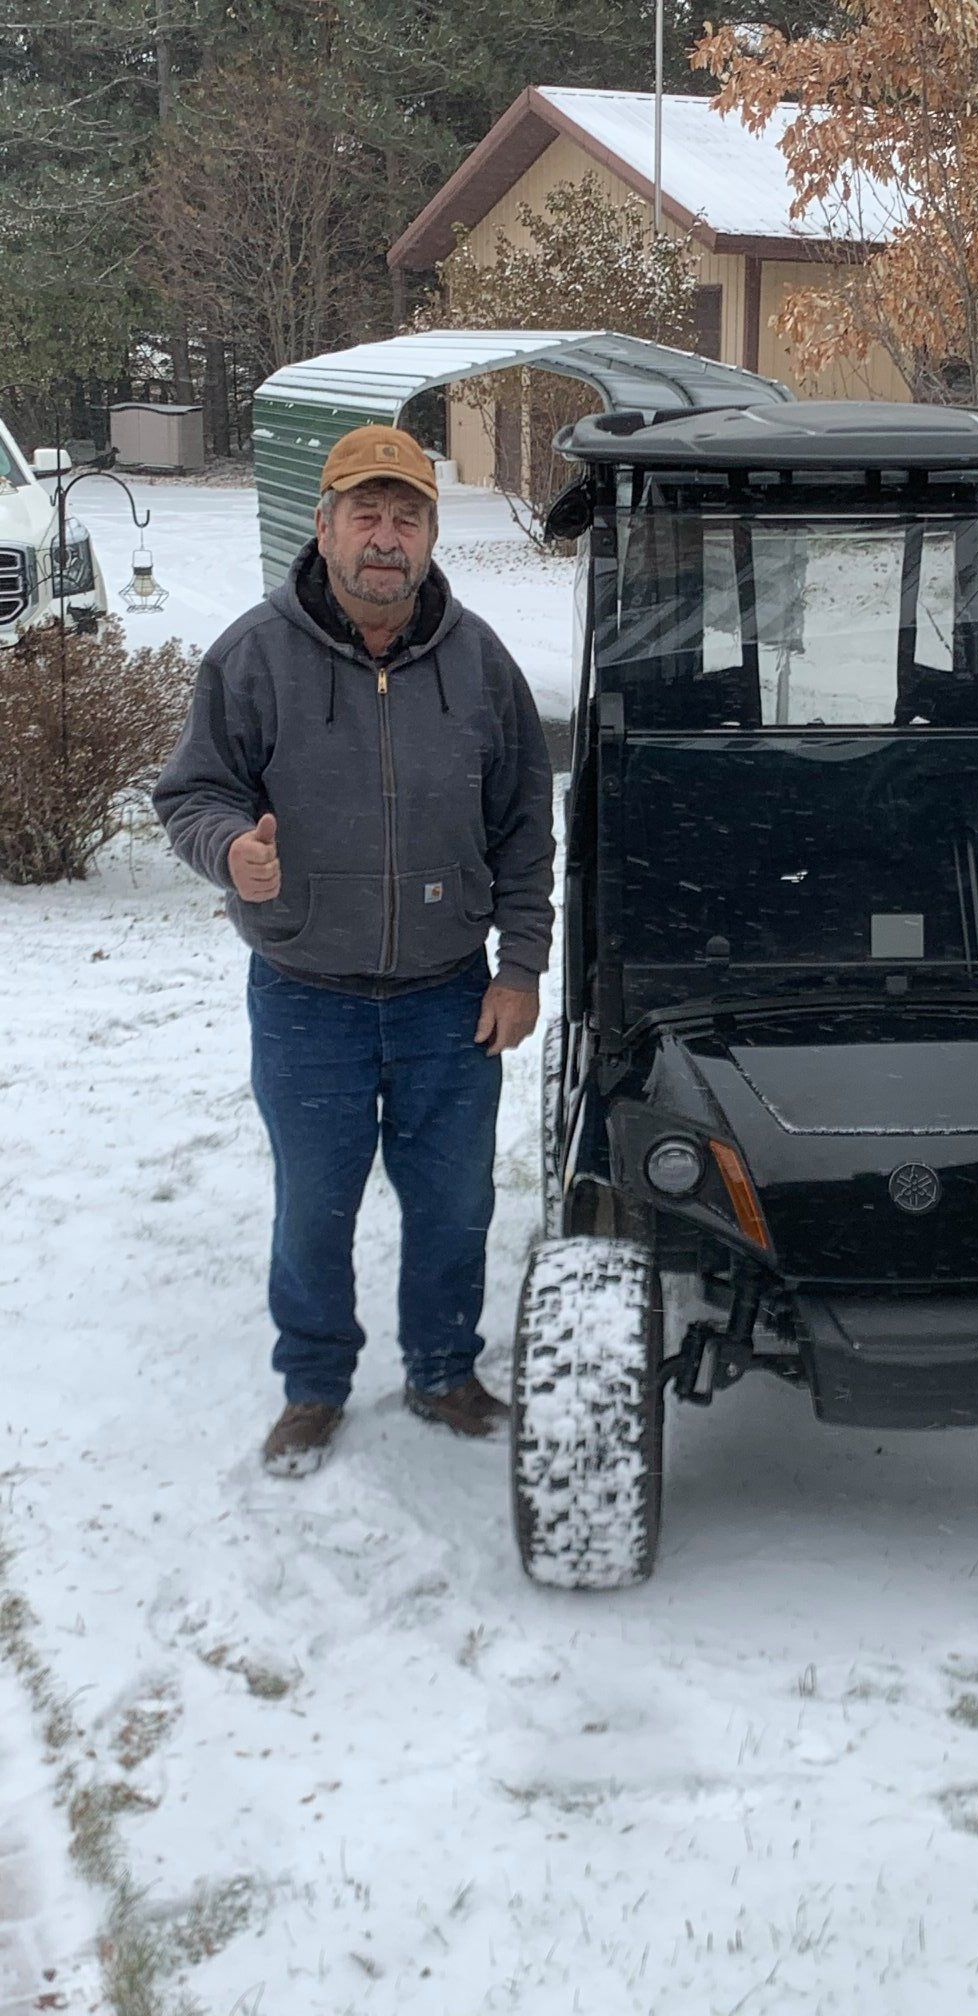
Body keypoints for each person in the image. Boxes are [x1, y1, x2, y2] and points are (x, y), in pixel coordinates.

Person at [154, 424, 553, 1476]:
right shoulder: (254, 655)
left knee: (457, 1202)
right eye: (366, 514)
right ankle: (316, 1383)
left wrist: (521, 968)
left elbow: (525, 825)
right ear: (324, 526)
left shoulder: (478, 664)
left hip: (446, 996)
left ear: (430, 532)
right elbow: (192, 792)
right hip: (305, 994)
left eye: (407, 515)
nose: (387, 537)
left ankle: (442, 1371)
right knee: (315, 1204)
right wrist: (229, 849)